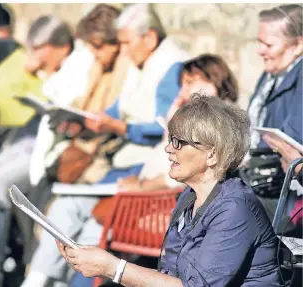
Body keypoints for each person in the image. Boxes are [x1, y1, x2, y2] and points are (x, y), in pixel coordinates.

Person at [22, 4, 187, 287]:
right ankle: (38, 281)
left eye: (126, 42)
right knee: (65, 209)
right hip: (125, 163)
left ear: (148, 38)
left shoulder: (171, 67)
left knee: (90, 226)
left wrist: (119, 128)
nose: (122, 49)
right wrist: (86, 123)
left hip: (145, 172)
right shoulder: (141, 62)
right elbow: (118, 109)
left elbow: (164, 128)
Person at [57, 94, 282, 287]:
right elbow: (170, 273)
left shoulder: (234, 208)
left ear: (212, 154)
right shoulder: (190, 197)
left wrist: (113, 268)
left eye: (178, 142)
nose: (168, 148)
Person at [0, 15, 74, 259]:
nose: (34, 55)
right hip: (21, 139)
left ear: (62, 47)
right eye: (31, 48)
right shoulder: (26, 66)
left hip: (45, 149)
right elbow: (2, 96)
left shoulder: (71, 70)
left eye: (40, 49)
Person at [118, 54, 238, 192]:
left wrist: (141, 186)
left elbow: (183, 175)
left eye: (188, 82)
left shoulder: (219, 121)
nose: (182, 92)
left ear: (208, 81)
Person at [248, 4, 302, 150]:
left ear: (298, 44)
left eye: (268, 45)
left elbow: (294, 138)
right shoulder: (271, 73)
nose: (259, 50)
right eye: (259, 42)